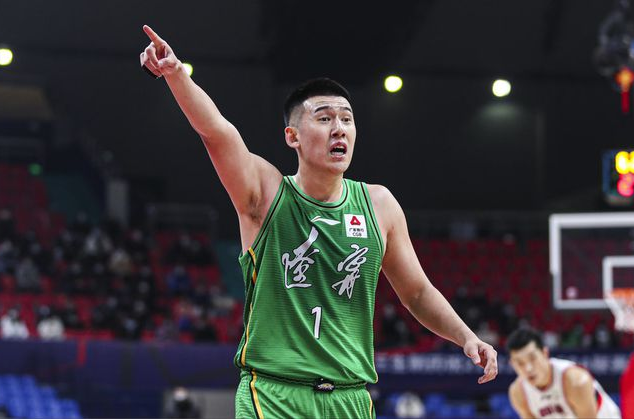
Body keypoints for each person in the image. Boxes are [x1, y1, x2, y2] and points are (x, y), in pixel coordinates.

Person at [139, 25, 498, 419]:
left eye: (346, 119)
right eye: (324, 118)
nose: (339, 128)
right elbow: (216, 132)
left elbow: (416, 293)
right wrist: (176, 73)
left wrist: (466, 337)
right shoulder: (266, 194)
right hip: (274, 395)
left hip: (350, 398)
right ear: (292, 136)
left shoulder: (379, 205)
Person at [507, 327, 621, 419]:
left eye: (532, 358)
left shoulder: (576, 381)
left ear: (545, 353)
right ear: (512, 364)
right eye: (520, 363)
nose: (528, 368)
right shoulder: (518, 393)